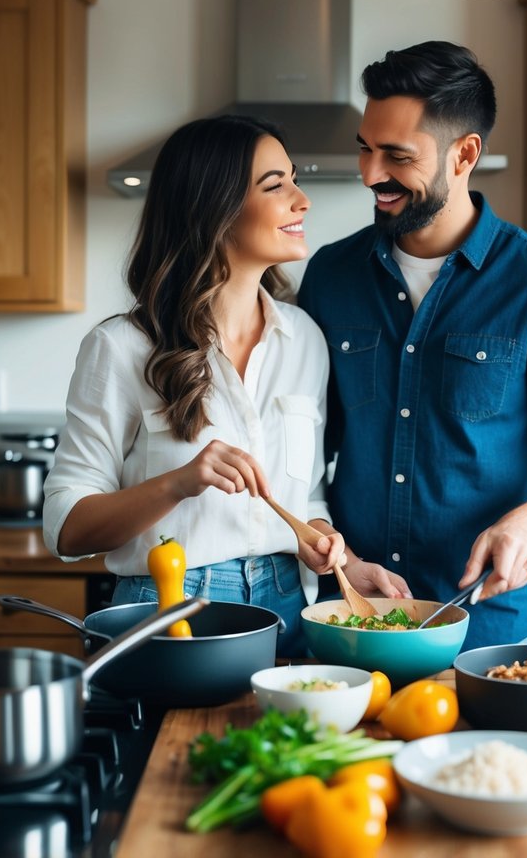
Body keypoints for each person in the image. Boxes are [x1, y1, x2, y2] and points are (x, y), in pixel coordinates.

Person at [298, 41, 527, 649]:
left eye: (397, 156)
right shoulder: (329, 275)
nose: (371, 174)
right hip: (351, 615)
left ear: (465, 154)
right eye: (366, 149)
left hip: (487, 628)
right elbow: (301, 447)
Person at [43, 114, 389, 656]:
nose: (303, 200)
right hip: (170, 608)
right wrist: (180, 482)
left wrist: (337, 555)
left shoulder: (305, 339)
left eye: (294, 179)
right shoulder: (122, 347)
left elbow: (307, 494)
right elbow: (65, 526)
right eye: (276, 185)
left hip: (289, 612)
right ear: (214, 208)